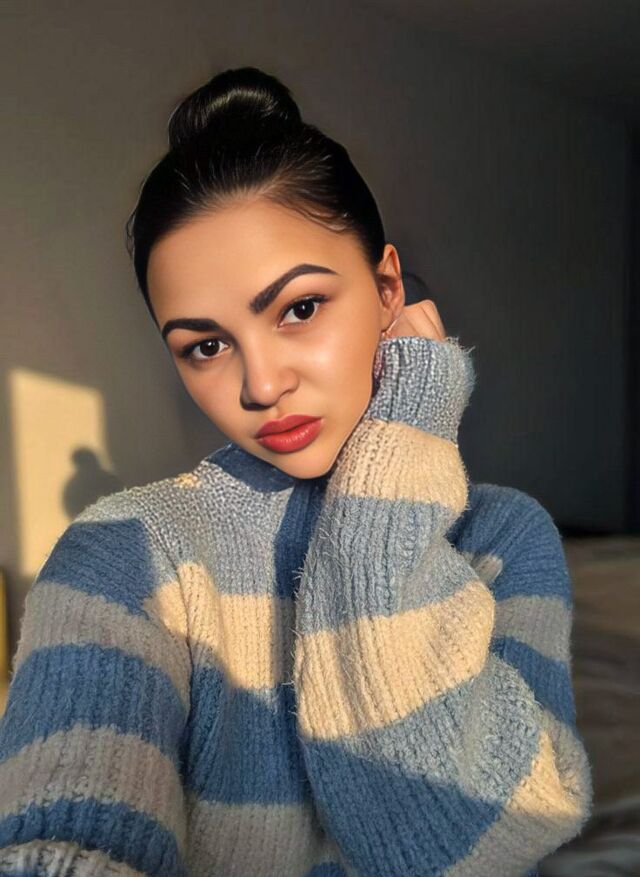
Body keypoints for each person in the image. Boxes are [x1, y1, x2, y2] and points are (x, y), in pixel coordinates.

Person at [0, 66, 592, 876]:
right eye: (206, 345)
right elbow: (66, 839)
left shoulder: (503, 538)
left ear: (387, 288)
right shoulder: (125, 550)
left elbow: (472, 842)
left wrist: (399, 454)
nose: (261, 384)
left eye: (300, 308)